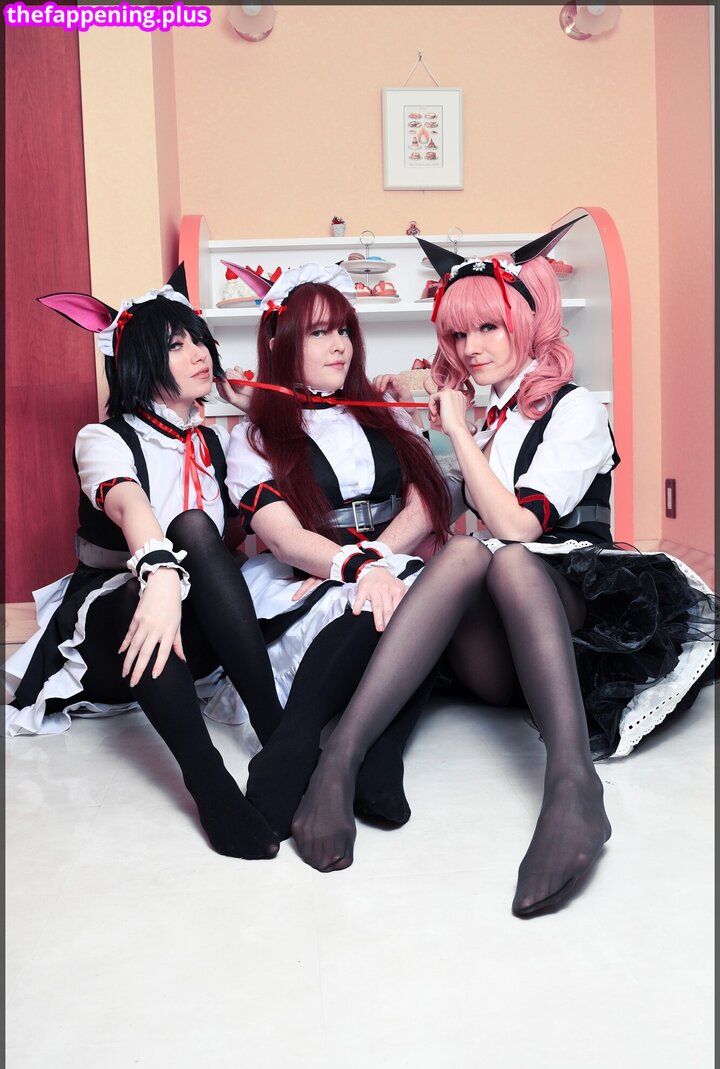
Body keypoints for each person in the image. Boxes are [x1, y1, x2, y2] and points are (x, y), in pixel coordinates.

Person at [288, 219, 718, 915]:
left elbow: (519, 527)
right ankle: (339, 760)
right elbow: (437, 508)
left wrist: (457, 430)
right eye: (459, 334)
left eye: (488, 328)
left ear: (526, 321)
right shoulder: (490, 419)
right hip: (506, 663)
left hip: (578, 637)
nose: (471, 348)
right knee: (464, 551)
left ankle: (574, 786)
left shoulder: (575, 412)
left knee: (509, 558)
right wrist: (360, 563)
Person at [4, 267, 284, 860]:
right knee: (169, 549)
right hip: (118, 636)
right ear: (138, 362)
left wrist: (246, 402)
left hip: (193, 641)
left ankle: (280, 740)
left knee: (196, 528)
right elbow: (130, 505)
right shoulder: (102, 439)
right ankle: (209, 783)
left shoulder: (210, 442)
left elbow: (237, 530)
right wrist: (159, 578)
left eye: (200, 340)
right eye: (176, 345)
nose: (200, 353)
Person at [216, 262, 451, 841]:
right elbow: (283, 536)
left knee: (419, 598)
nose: (339, 345)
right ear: (281, 343)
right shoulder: (254, 436)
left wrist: (376, 562)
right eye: (319, 332)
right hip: (309, 573)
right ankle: (304, 744)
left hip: (387, 560)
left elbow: (428, 501)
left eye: (344, 330)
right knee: (382, 605)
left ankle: (373, 750)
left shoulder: (385, 413)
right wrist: (354, 568)